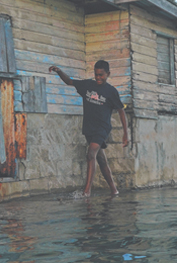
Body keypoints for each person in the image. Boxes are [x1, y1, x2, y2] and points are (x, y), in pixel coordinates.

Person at [49, 61, 129, 197]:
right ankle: (114, 190)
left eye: (101, 75)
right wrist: (59, 71)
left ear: (108, 74)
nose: (98, 78)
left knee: (91, 153)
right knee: (101, 160)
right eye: (96, 75)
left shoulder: (111, 92)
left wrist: (126, 134)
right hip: (88, 127)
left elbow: (121, 111)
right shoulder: (87, 85)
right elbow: (69, 81)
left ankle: (87, 192)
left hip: (102, 129)